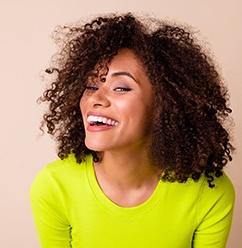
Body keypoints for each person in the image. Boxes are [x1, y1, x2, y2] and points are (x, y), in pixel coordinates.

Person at [30, 13, 235, 248]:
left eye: (120, 87)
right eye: (91, 86)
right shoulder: (54, 187)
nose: (95, 98)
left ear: (163, 106)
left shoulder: (209, 192)